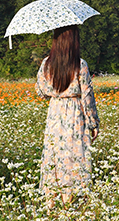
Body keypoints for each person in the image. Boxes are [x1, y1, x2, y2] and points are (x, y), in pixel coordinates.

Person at [37, 25, 100, 207]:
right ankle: (68, 202)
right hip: (75, 112)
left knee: (54, 155)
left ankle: (50, 203)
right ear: (73, 41)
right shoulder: (80, 64)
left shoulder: (46, 64)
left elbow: (40, 91)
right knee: (73, 155)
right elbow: (87, 96)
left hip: (55, 113)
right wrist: (93, 123)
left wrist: (55, 91)